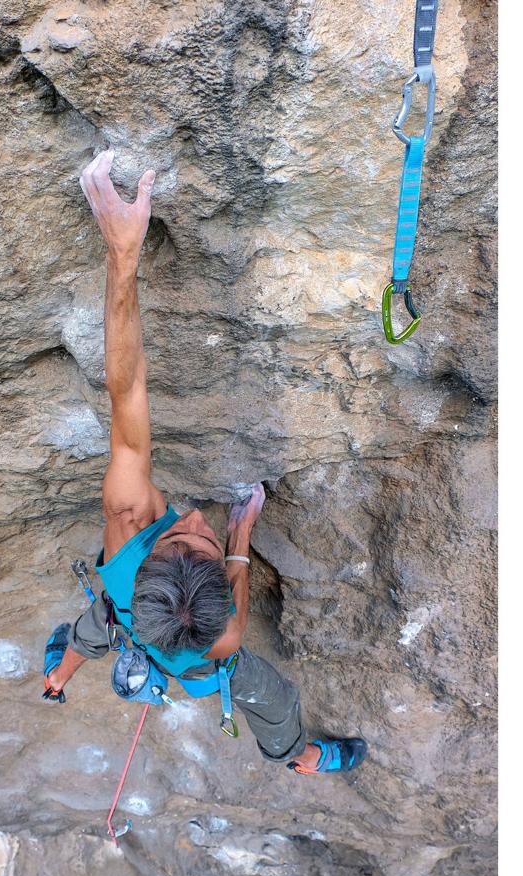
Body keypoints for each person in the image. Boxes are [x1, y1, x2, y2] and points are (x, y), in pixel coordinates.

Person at [42, 149, 367, 776]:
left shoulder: (130, 521)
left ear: (143, 561)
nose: (193, 518)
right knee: (278, 704)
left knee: (97, 625)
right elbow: (233, 585)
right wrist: (239, 540)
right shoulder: (225, 640)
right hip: (192, 663)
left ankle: (59, 673)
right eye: (205, 538)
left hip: (132, 617)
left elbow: (126, 390)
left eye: (182, 534)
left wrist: (123, 256)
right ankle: (299, 755)